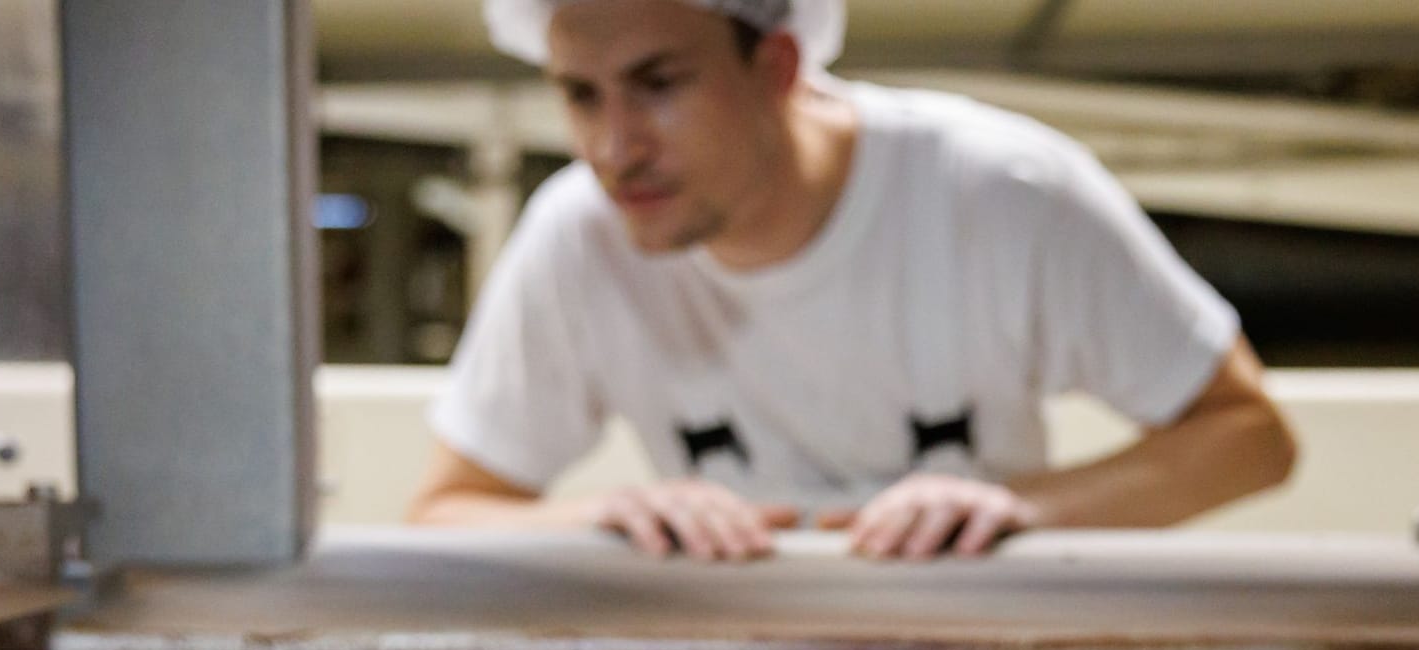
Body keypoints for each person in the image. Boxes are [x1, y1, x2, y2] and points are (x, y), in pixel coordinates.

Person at [409, 0, 1297, 561]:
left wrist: (1013, 508)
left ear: (778, 68)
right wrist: (603, 517)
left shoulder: (998, 192)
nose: (615, 146)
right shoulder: (579, 234)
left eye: (659, 84)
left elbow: (1248, 434)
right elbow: (446, 512)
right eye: (581, 95)